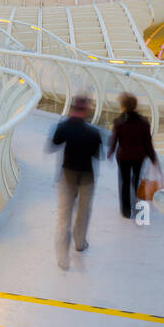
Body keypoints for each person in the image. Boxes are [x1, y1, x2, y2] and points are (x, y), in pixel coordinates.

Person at [50, 95, 103, 269]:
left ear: (72, 109)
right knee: (83, 211)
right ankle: (80, 243)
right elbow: (97, 155)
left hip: (67, 175)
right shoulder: (93, 133)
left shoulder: (64, 127)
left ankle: (63, 259)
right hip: (87, 176)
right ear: (87, 111)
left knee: (64, 215)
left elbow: (54, 143)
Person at [107, 92, 158, 219]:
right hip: (139, 156)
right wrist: (152, 157)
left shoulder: (119, 122)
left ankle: (125, 210)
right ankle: (134, 202)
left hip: (123, 157)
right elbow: (147, 142)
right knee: (135, 179)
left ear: (123, 106)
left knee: (124, 181)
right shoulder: (143, 122)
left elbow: (114, 140)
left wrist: (111, 152)